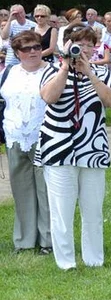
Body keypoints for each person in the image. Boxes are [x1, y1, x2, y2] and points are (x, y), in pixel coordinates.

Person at [38, 25, 111, 270]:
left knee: (93, 209)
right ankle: (66, 262)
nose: (83, 49)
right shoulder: (50, 70)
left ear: (94, 47)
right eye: (78, 43)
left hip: (92, 148)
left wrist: (90, 74)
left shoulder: (102, 72)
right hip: (58, 147)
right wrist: (65, 67)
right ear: (66, 44)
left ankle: (94, 259)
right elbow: (49, 97)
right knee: (61, 210)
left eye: (88, 44)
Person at [2, 31, 52, 254]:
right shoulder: (10, 71)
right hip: (15, 137)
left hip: (43, 138)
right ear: (17, 53)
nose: (33, 51)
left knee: (45, 191)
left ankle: (48, 241)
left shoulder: (51, 71)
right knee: (21, 190)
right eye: (26, 48)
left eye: (37, 47)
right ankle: (24, 240)